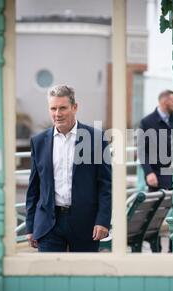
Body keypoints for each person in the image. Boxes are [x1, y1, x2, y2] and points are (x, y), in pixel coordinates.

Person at [25, 85, 111, 252]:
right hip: (49, 224)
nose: (58, 113)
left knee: (83, 276)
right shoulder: (39, 142)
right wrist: (30, 226)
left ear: (75, 107)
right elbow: (33, 188)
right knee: (50, 275)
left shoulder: (95, 138)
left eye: (63, 108)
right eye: (53, 108)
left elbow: (106, 184)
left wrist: (103, 220)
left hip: (86, 223)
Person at [138, 89, 173, 192]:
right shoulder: (146, 122)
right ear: (164, 102)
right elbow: (141, 151)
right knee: (156, 206)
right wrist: (148, 172)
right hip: (156, 176)